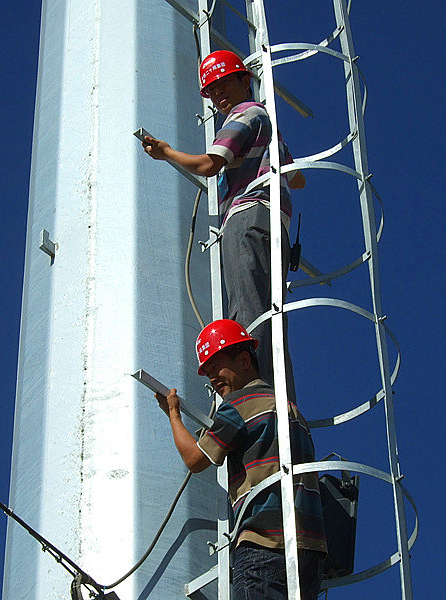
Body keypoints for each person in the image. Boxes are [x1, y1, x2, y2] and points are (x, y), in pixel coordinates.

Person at [142, 49, 304, 403]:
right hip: (273, 221)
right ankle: (282, 400)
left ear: (245, 80)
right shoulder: (266, 123)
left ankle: (255, 399)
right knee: (270, 313)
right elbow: (299, 178)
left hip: (247, 217)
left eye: (223, 83)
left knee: (248, 312)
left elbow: (208, 165)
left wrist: (166, 153)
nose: (218, 94)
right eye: (212, 90)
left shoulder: (245, 114)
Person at [156, 319, 326, 600]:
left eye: (216, 367)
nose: (213, 379)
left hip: (264, 543)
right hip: (309, 552)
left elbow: (195, 459)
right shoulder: (289, 409)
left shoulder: (239, 405)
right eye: (208, 373)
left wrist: (173, 414)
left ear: (244, 360)